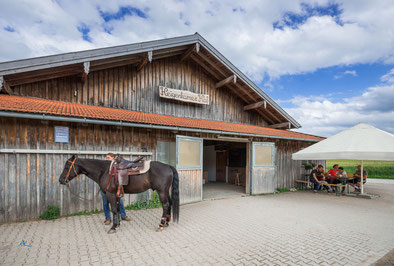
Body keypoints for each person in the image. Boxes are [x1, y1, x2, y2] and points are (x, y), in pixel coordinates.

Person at [101, 153, 130, 225]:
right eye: (106, 158)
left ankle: (123, 215)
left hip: (113, 188)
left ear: (113, 158)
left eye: (108, 157)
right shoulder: (104, 167)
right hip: (105, 187)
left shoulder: (116, 166)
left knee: (119, 202)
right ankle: (108, 218)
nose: (107, 159)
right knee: (105, 203)